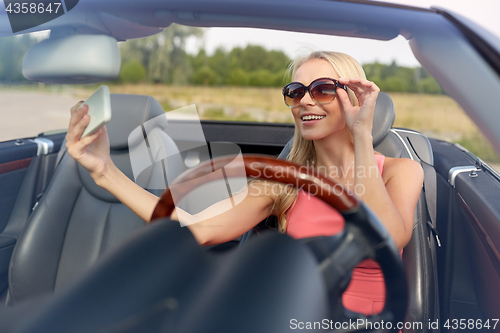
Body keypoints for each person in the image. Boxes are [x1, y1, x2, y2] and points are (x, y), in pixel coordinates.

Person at [66, 51, 424, 315]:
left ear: (354, 96)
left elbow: (388, 238)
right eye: (296, 91)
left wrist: (361, 133)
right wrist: (104, 172)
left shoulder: (400, 170)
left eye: (324, 89)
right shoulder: (284, 182)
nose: (306, 100)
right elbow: (197, 229)